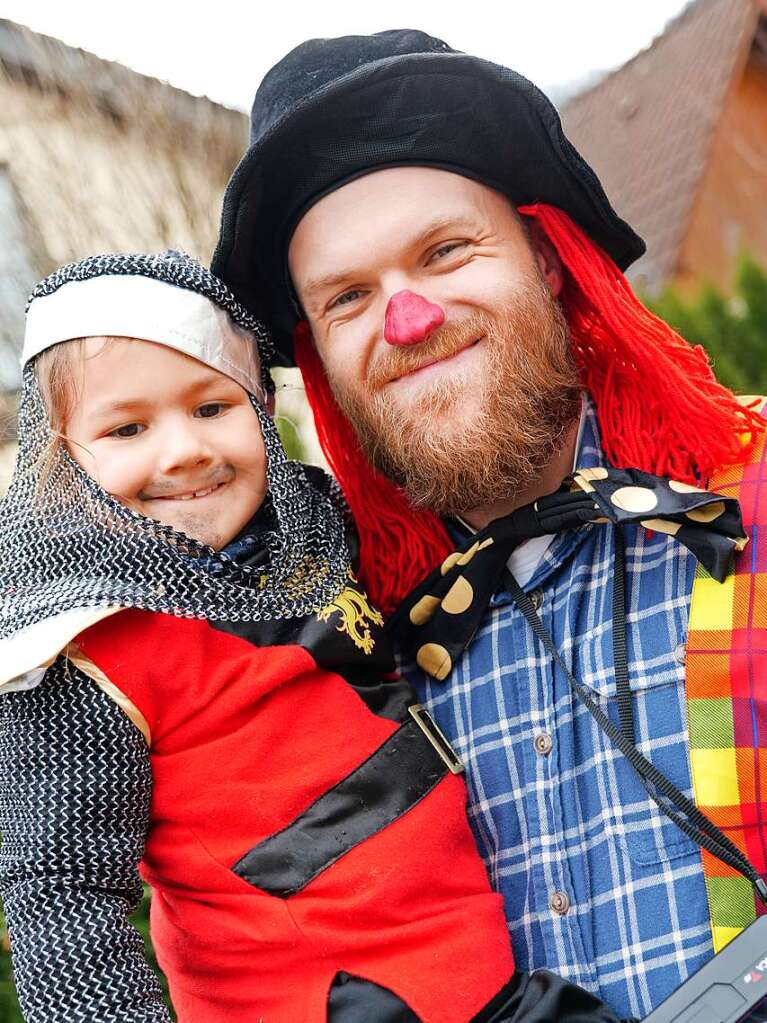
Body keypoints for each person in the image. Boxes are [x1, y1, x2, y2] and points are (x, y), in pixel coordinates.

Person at [211, 29, 767, 1021]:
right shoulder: (343, 669)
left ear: (551, 262)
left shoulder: (754, 502)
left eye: (444, 251)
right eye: (347, 298)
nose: (407, 318)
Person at [0, 250, 631, 1023]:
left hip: (486, 980)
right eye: (127, 426)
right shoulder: (81, 649)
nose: (185, 449)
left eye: (212, 407)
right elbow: (61, 894)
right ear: (62, 461)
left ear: (263, 406)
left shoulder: (318, 540)